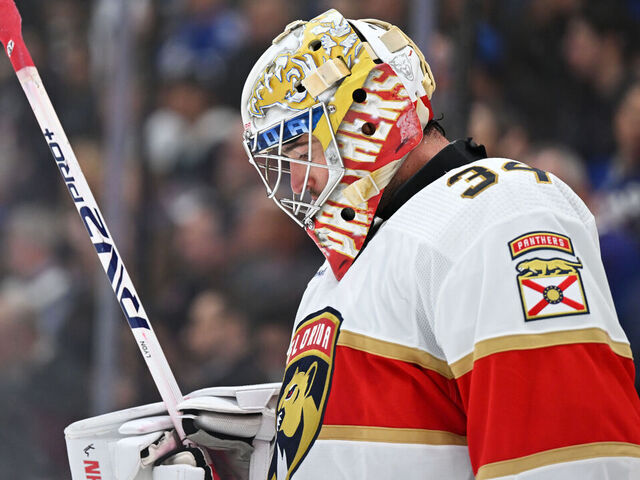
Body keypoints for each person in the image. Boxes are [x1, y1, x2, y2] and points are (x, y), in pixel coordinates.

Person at [69, 9, 640, 480]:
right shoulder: (337, 274)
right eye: (280, 165)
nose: (295, 184)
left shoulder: (497, 213)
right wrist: (257, 461)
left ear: (370, 109)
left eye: (300, 150)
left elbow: (572, 460)